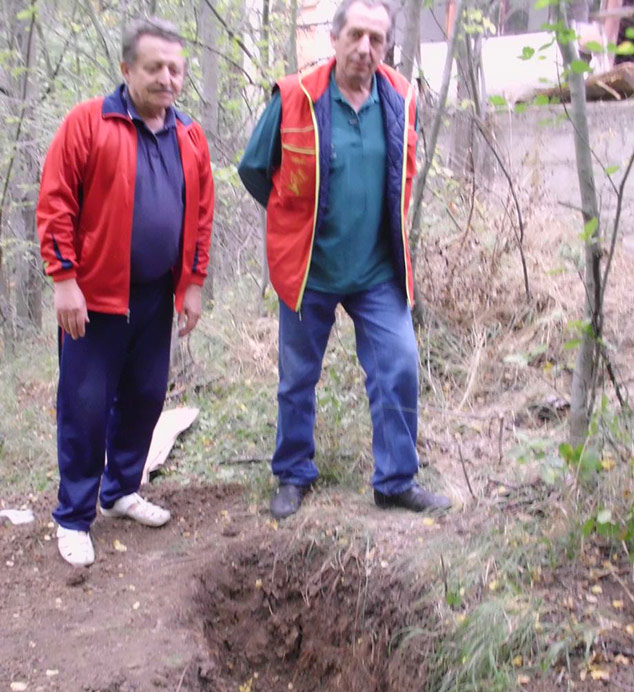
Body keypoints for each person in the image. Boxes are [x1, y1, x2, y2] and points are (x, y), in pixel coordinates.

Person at [238, 0, 450, 520]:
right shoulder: (295, 97)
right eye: (356, 35)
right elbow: (254, 169)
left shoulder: (401, 96)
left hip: (378, 271)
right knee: (297, 377)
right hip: (309, 269)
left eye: (376, 39)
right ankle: (293, 473)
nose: (365, 48)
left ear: (386, 45)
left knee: (398, 364)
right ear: (334, 39)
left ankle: (396, 480)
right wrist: (292, 219)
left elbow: (404, 170)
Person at [36, 17, 214, 567]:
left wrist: (193, 286)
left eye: (175, 69)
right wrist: (64, 280)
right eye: (154, 67)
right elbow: (56, 202)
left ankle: (120, 491)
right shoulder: (88, 123)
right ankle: (73, 516)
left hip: (158, 296)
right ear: (126, 69)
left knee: (145, 397)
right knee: (85, 406)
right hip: (93, 298)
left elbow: (201, 214)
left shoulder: (189, 135)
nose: (166, 78)